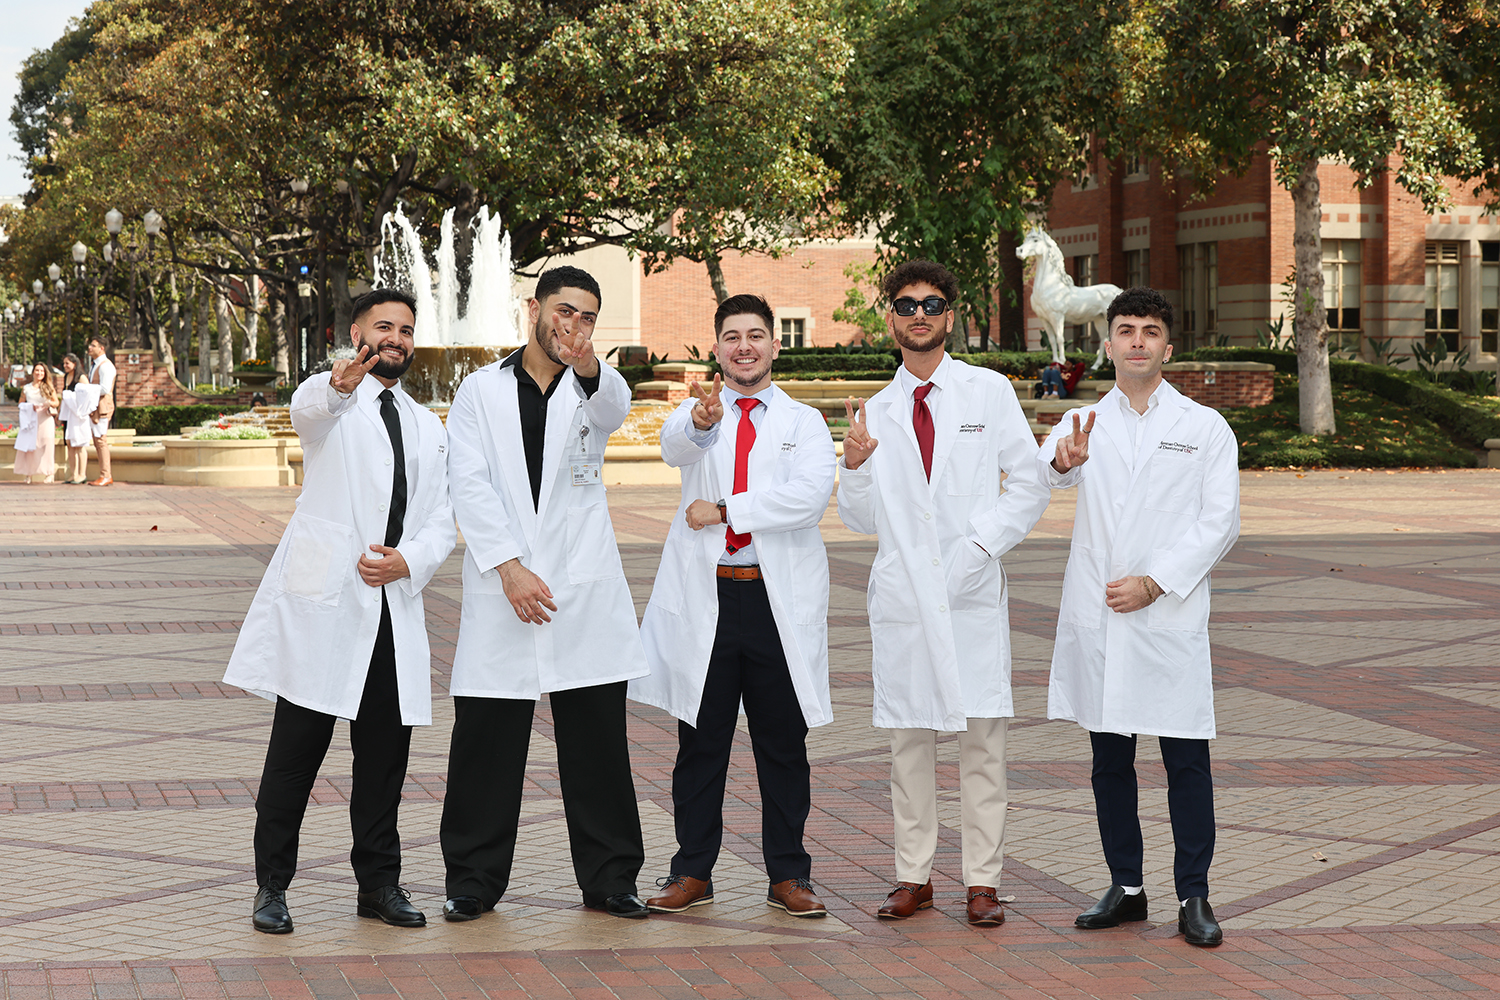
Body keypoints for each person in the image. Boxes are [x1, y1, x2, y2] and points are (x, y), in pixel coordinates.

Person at [223, 288, 456, 934]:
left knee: (384, 760)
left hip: (390, 607)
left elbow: (441, 517)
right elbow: (308, 410)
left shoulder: (423, 424)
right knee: (296, 754)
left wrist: (409, 561)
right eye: (384, 326)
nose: (397, 340)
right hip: (326, 607)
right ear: (354, 332)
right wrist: (337, 384)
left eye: (406, 330)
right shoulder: (331, 402)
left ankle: (378, 884)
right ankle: (272, 886)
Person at [837, 260, 1050, 927]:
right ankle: (914, 876)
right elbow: (860, 519)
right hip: (905, 601)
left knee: (983, 744)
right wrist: (855, 466)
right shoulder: (875, 411)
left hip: (971, 592)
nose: (920, 315)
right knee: (910, 745)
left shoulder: (987, 393)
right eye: (907, 305)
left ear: (951, 315)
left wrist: (981, 546)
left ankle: (982, 882)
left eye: (932, 304)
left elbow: (1030, 482)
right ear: (890, 317)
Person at [440, 265, 651, 922]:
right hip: (503, 588)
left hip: (580, 589)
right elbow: (467, 483)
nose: (574, 326)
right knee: (486, 743)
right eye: (565, 311)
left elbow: (615, 407)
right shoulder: (479, 390)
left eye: (588, 317)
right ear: (534, 308)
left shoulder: (594, 388)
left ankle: (612, 879)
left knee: (596, 745)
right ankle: (473, 881)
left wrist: (591, 368)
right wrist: (506, 566)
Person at [1038, 286, 1240, 948]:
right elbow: (1044, 473)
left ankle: (1194, 895)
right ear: (1106, 345)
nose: (1136, 341)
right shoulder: (1081, 424)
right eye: (1125, 330)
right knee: (1109, 761)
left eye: (1149, 331)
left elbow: (1220, 523)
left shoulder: (1204, 427)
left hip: (1166, 620)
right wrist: (1058, 463)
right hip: (1101, 624)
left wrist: (1155, 583)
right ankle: (1126, 887)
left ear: (1167, 347)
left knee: (1186, 762)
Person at [633, 294, 837, 919]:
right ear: (715, 347)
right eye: (731, 337)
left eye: (755, 335)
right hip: (710, 600)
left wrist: (726, 511)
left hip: (775, 605)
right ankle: (692, 870)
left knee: (782, 744)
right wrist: (700, 422)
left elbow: (807, 499)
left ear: (775, 345)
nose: (743, 347)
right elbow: (676, 450)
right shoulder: (701, 416)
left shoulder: (803, 423)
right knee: (701, 741)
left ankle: (788, 875)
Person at [15, 363, 59, 484]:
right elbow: (20, 403)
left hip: (45, 419)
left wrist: (48, 403)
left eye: (42, 371)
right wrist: (30, 407)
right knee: (31, 447)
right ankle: (29, 474)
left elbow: (56, 402)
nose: (39, 373)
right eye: (37, 370)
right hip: (31, 420)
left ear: (45, 373)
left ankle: (49, 473)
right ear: (33, 372)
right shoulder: (26, 388)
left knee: (47, 445)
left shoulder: (48, 387)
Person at [84, 336, 116, 487]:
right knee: (98, 441)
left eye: (93, 345)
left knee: (101, 440)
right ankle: (104, 474)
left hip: (103, 407)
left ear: (102, 348)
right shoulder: (95, 365)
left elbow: (105, 388)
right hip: (96, 407)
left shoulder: (105, 366)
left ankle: (106, 475)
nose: (90, 348)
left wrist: (86, 389)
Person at [59, 354, 90, 484]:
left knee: (80, 445)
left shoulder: (81, 378)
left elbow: (87, 396)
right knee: (70, 444)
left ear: (75, 364)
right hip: (68, 416)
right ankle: (73, 473)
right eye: (64, 363)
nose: (65, 366)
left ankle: (82, 474)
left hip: (79, 416)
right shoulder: (66, 377)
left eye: (68, 363)